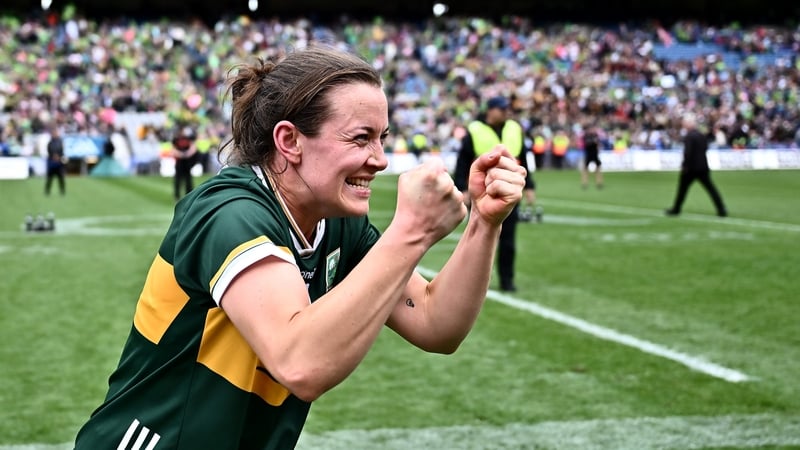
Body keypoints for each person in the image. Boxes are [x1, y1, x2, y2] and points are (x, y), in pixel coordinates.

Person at [73, 45, 526, 449]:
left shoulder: (337, 223)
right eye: (361, 137)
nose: (381, 159)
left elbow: (435, 324)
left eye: (382, 138)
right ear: (289, 141)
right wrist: (411, 232)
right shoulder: (231, 213)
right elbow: (300, 362)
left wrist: (484, 224)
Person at [453, 95, 535, 293]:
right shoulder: (474, 130)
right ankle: (472, 283)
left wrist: (530, 186)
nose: (506, 111)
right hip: (483, 193)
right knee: (478, 240)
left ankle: (507, 281)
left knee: (508, 241)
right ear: (490, 110)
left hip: (509, 192)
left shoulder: (514, 128)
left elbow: (522, 158)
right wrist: (462, 188)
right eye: (502, 108)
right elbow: (463, 162)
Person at [665, 114, 727, 217]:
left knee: (682, 189)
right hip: (703, 167)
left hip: (691, 168)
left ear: (689, 123)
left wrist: (685, 166)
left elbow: (687, 153)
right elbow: (705, 148)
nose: (683, 124)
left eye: (685, 122)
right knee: (711, 188)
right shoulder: (701, 135)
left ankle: (676, 209)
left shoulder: (689, 136)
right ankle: (721, 209)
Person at [171, 125, 198, 201]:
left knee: (188, 180)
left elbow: (193, 147)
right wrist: (181, 154)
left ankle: (189, 194)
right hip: (179, 162)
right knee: (178, 180)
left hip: (187, 162)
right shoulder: (176, 139)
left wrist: (187, 154)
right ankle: (177, 196)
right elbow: (173, 150)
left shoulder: (189, 138)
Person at [44, 126, 66, 196]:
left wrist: (58, 156)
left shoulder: (60, 142)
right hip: (52, 162)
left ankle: (62, 190)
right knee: (49, 178)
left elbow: (62, 151)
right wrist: (53, 156)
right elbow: (48, 150)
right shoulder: (50, 142)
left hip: (59, 162)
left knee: (61, 178)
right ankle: (47, 190)